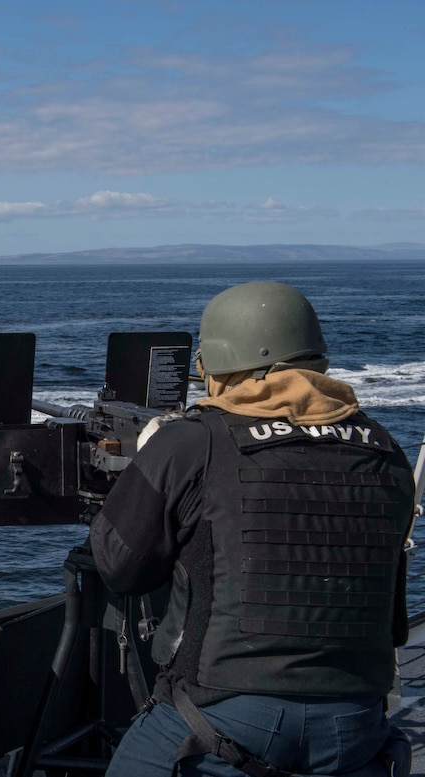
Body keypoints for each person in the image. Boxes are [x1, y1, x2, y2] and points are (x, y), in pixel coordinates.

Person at [90, 281, 415, 776]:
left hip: (225, 718)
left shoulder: (193, 443)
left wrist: (153, 461)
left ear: (220, 362)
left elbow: (120, 568)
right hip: (356, 721)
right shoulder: (385, 449)